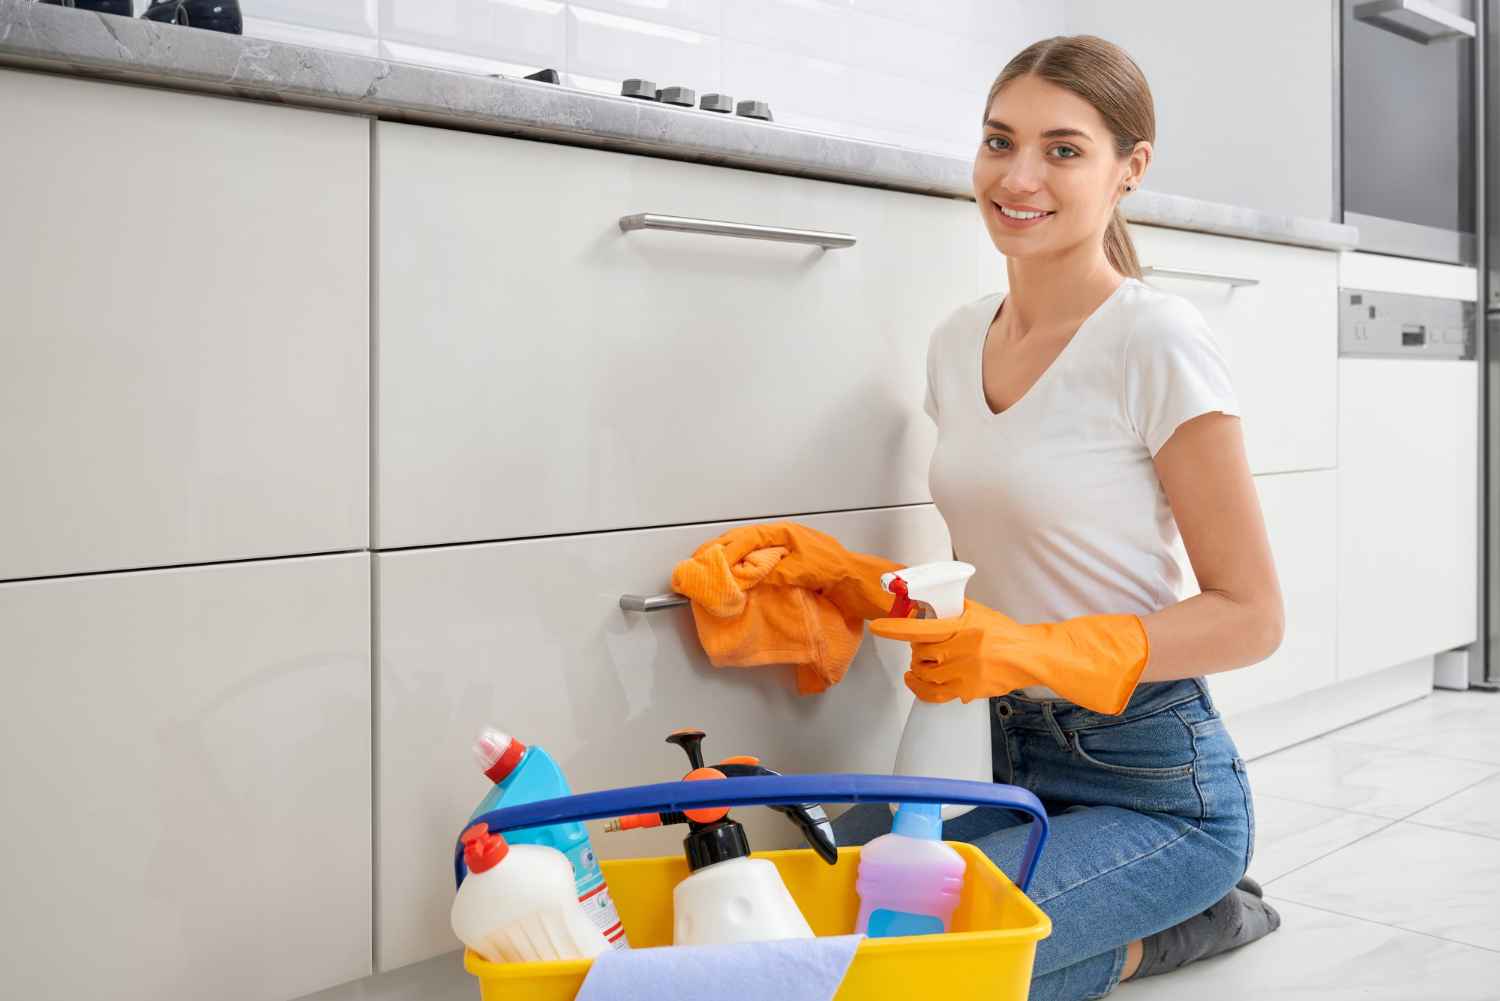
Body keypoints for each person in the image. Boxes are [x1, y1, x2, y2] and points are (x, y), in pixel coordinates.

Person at [690, 35, 1285, 1000]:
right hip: (986, 748)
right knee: (809, 916)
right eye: (999, 140)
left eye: (1063, 149)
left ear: (1129, 169)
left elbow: (1251, 616)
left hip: (1148, 777)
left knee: (906, 972)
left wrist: (1027, 653)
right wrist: (853, 580)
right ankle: (1140, 924)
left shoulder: (1156, 339)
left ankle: (1185, 909)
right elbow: (1000, 573)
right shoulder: (957, 340)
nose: (1017, 176)